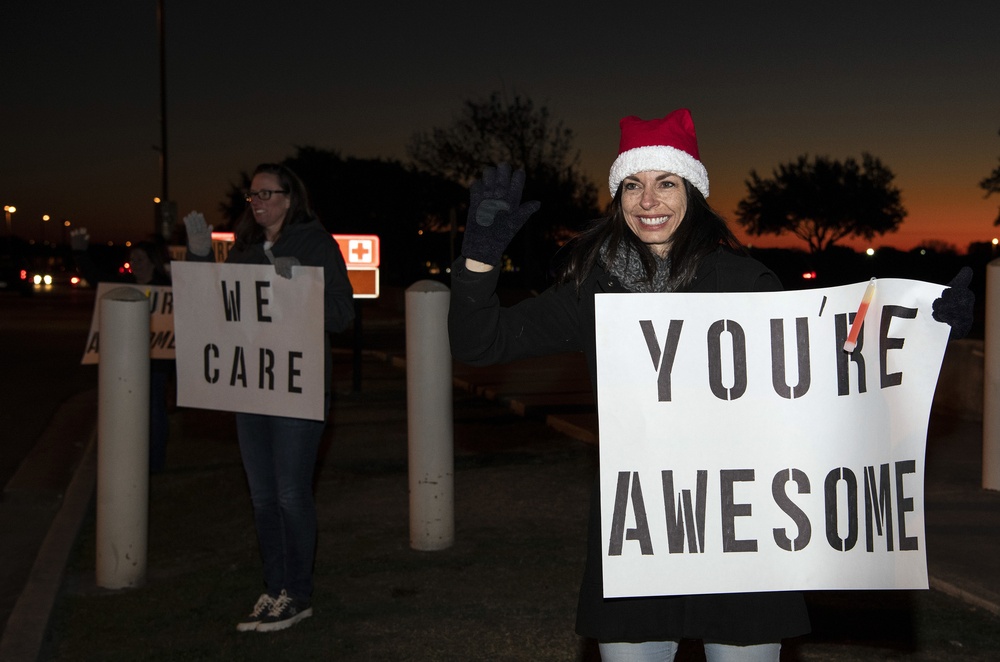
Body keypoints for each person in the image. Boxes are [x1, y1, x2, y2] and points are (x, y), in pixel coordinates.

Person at [447, 109, 974, 661]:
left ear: (692, 193)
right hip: (642, 536)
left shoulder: (745, 282)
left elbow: (831, 368)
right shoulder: (592, 289)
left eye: (665, 183)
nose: (648, 200)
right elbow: (480, 344)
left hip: (742, 533)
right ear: (618, 197)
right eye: (633, 185)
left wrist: (923, 326)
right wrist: (479, 258)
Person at [183, 162, 354, 633]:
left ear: (289, 198)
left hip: (297, 390)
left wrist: (300, 283)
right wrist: (200, 259)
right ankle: (274, 588)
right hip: (252, 388)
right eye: (251, 196)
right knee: (262, 498)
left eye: (265, 194)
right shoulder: (242, 250)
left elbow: (343, 314)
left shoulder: (316, 244)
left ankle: (297, 594)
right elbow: (216, 307)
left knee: (291, 493)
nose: (256, 202)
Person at [71, 230, 175, 473]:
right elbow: (96, 278)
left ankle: (154, 463)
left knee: (154, 413)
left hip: (156, 364)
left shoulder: (165, 289)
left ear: (151, 262)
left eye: (140, 259)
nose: (135, 265)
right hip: (126, 362)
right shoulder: (123, 287)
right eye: (132, 260)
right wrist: (80, 252)